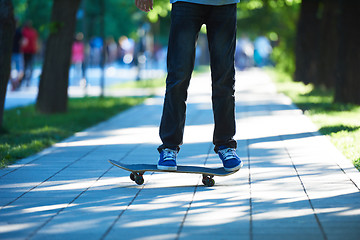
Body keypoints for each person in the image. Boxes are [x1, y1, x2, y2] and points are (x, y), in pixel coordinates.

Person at [135, 0, 243, 172]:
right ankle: (169, 147)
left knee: (224, 78)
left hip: (224, 3)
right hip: (186, 2)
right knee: (178, 76)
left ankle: (226, 145)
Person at [20, 20, 38, 88]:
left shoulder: (23, 31)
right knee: (30, 66)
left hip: (25, 51)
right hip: (32, 51)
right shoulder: (34, 32)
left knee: (25, 66)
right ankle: (28, 81)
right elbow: (36, 42)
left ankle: (24, 80)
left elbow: (22, 41)